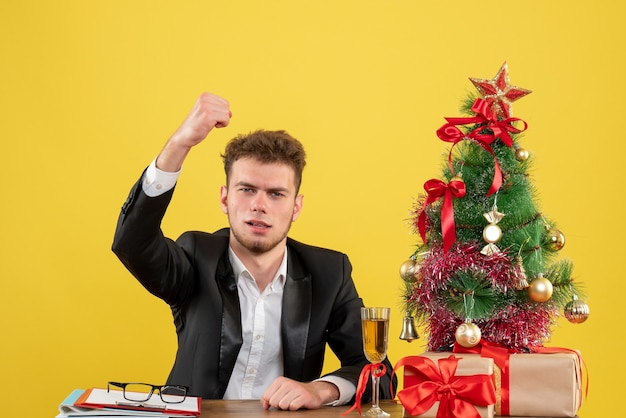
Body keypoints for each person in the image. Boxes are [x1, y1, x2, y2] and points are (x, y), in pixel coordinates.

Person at [112, 92, 396, 410]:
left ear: (296, 207)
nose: (259, 205)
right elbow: (132, 242)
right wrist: (180, 143)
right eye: (246, 189)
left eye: (276, 194)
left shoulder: (329, 273)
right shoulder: (195, 256)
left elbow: (380, 373)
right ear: (225, 198)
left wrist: (320, 390)